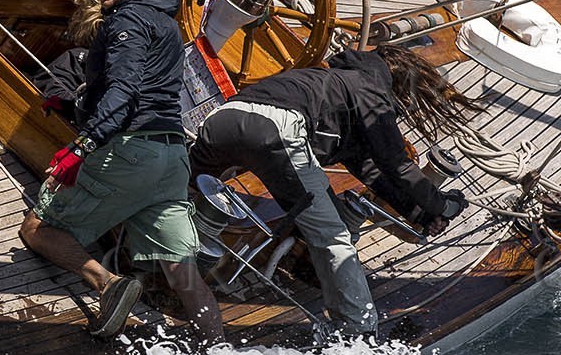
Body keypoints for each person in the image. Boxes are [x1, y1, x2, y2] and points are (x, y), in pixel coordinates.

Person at [190, 43, 474, 338]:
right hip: (273, 129)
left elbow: (372, 172)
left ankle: (168, 263)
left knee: (185, 193)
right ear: (400, 85)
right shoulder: (370, 88)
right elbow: (397, 163)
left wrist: (420, 214)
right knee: (332, 236)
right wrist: (442, 205)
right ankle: (359, 330)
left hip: (220, 120)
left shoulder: (338, 87)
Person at [19, 0, 224, 344]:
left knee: (38, 229)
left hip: (130, 151)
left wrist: (81, 147)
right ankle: (220, 352)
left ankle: (109, 284)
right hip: (171, 157)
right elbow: (147, 88)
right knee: (183, 273)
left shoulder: (127, 19)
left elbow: (125, 90)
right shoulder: (167, 21)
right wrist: (73, 105)